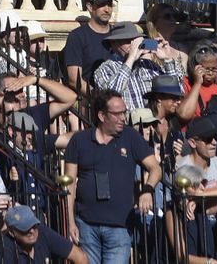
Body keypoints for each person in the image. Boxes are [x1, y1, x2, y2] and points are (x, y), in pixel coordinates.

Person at [63, 89, 159, 264]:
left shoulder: (130, 137)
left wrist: (147, 189)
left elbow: (155, 168)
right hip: (86, 224)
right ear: (102, 115)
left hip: (120, 226)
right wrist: (70, 222)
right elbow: (68, 185)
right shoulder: (80, 141)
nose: (123, 117)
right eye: (117, 113)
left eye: (124, 112)